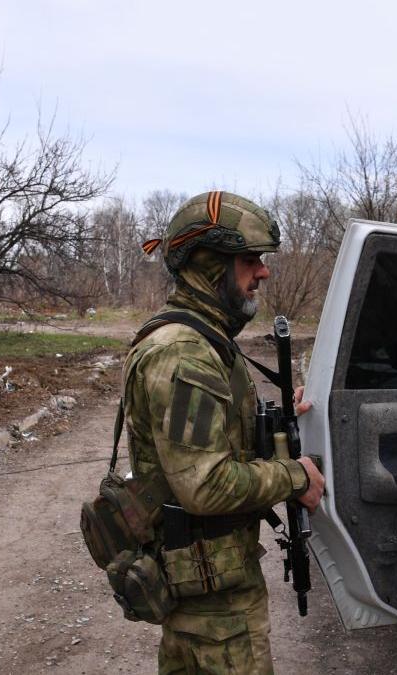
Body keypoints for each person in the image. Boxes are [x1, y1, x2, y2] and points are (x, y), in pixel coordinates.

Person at [125, 190, 325, 674]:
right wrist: (295, 476)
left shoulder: (203, 339)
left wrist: (278, 423)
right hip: (213, 611)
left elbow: (211, 442)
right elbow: (205, 484)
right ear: (209, 265)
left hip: (213, 591)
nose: (263, 271)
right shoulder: (185, 354)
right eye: (250, 259)